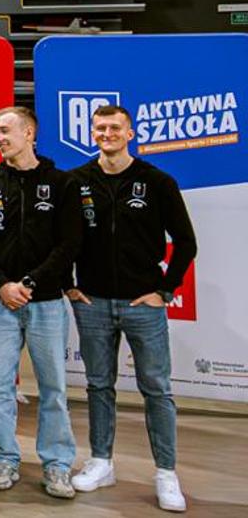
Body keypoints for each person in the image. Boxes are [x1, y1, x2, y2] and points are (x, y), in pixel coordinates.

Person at [67, 104, 195, 512]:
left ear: (130, 133)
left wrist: (165, 290)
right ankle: (101, 461)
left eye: (115, 128)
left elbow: (186, 243)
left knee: (156, 389)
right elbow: (60, 240)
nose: (107, 133)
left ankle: (166, 473)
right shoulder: (77, 181)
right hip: (92, 302)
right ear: (92, 133)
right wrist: (68, 285)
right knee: (98, 386)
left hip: (144, 304)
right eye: (100, 128)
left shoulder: (156, 181)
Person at [0, 106, 80, 498]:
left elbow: (69, 244)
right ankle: (6, 459)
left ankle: (58, 465)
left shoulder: (61, 183)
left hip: (46, 301)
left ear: (29, 132)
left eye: (5, 130)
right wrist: (1, 284)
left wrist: (29, 283)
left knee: (53, 387)